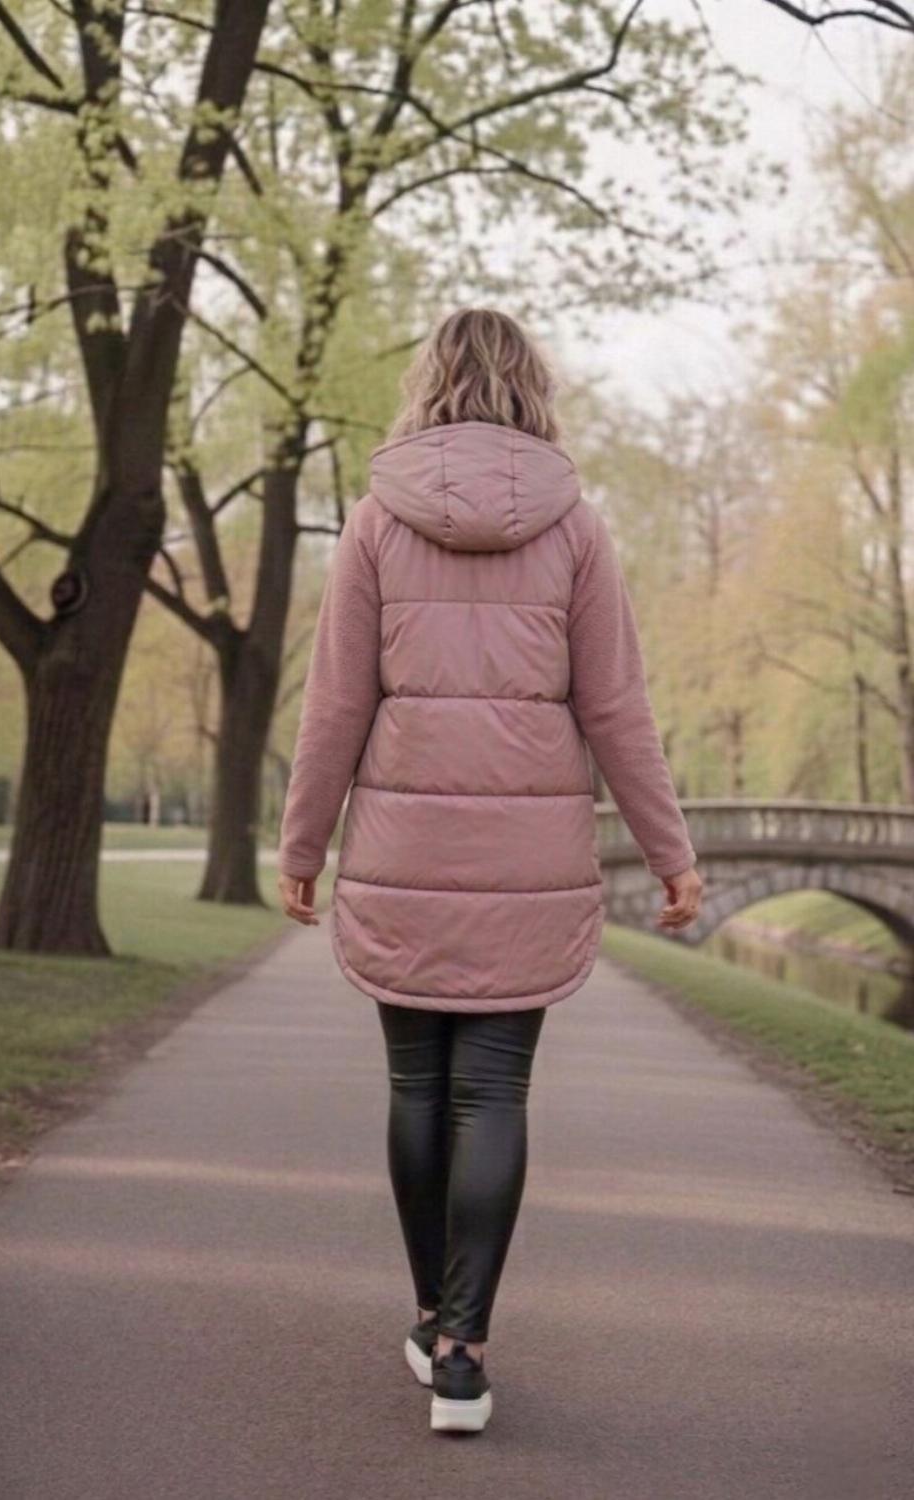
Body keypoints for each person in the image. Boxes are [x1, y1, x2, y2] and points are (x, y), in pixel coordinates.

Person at [276, 307, 703, 1435]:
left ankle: (432, 1319)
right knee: (494, 1093)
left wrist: (303, 845)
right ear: (532, 389)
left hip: (403, 855)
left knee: (418, 1090)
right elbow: (617, 709)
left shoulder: (376, 521)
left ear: (429, 383)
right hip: (529, 860)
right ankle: (463, 1353)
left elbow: (335, 704)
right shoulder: (578, 530)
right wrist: (671, 854)